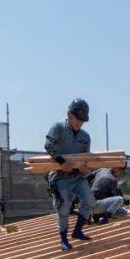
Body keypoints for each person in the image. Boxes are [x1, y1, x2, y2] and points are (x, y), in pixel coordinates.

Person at [45, 98, 97, 250]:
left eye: (82, 121)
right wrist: (61, 162)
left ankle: (77, 231)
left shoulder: (85, 137)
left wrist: (85, 168)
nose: (79, 123)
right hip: (60, 177)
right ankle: (63, 240)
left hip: (77, 176)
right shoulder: (58, 128)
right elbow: (48, 145)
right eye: (77, 119)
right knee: (64, 208)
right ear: (69, 114)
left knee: (90, 201)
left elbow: (86, 158)